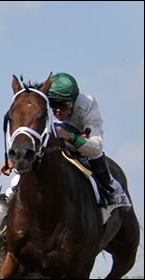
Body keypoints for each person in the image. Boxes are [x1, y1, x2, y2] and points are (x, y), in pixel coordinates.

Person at [48, 73, 116, 207]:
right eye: (53, 104)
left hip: (81, 149)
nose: (57, 110)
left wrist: (70, 136)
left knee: (96, 153)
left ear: (74, 101)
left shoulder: (87, 104)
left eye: (63, 105)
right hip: (54, 148)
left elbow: (96, 147)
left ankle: (106, 189)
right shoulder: (42, 104)